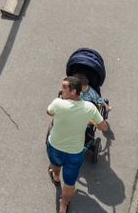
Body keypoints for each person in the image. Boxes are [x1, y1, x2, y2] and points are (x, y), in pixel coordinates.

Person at [47, 75, 109, 213]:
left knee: (55, 165)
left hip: (55, 146)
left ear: (73, 91)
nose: (60, 89)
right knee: (69, 183)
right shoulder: (89, 108)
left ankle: (56, 177)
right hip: (74, 152)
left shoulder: (58, 103)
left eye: (64, 87)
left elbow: (49, 112)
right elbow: (104, 127)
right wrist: (91, 121)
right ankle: (63, 206)